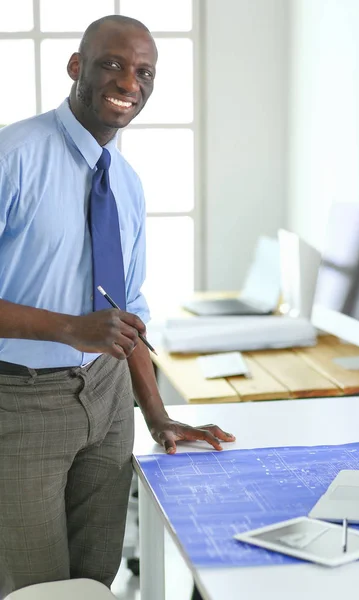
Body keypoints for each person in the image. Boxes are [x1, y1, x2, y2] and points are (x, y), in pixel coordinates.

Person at [0, 14, 235, 597]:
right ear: (76, 67)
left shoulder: (126, 183)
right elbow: (91, 325)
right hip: (20, 402)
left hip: (108, 404)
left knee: (96, 577)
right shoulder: (13, 156)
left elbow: (127, 313)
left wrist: (155, 414)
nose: (130, 82)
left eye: (144, 72)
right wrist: (71, 329)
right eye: (113, 63)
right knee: (38, 586)